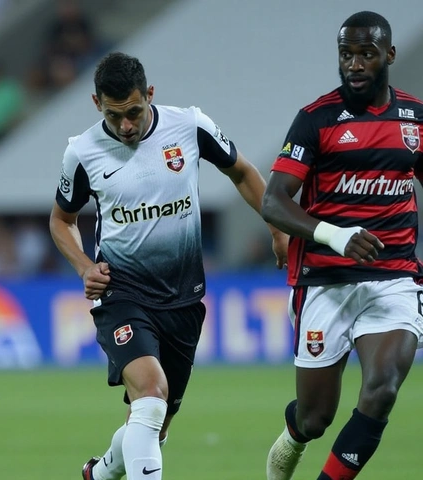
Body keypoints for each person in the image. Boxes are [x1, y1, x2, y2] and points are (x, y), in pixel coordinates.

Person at [49, 51, 289, 480]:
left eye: (135, 112)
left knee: (153, 424)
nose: (126, 126)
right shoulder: (82, 153)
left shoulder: (190, 125)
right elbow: (61, 220)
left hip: (183, 298)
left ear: (151, 95)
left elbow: (243, 172)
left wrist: (276, 228)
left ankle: (99, 474)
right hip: (120, 294)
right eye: (114, 114)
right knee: (151, 392)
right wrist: (85, 266)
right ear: (96, 104)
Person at [261, 11, 423, 480]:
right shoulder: (317, 119)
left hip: (394, 278)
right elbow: (274, 202)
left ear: (388, 55)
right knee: (315, 419)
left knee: (382, 387)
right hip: (326, 281)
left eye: (366, 54)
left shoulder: (414, 119)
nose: (354, 64)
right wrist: (336, 235)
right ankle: (291, 440)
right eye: (346, 54)